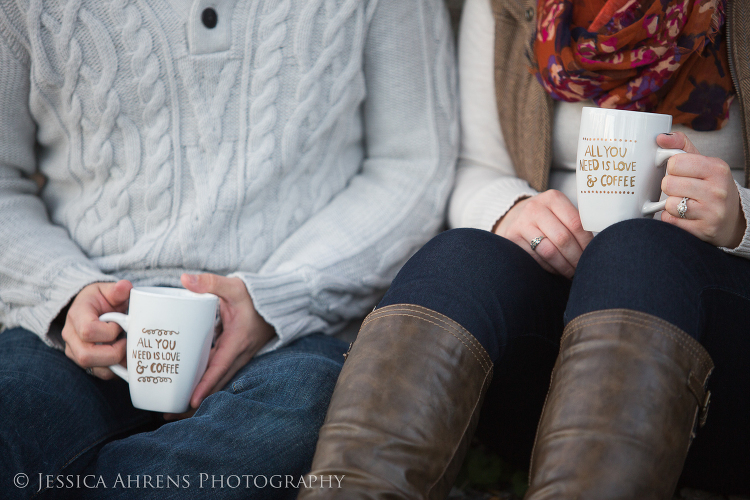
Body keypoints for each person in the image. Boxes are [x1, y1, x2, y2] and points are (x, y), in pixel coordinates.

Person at [0, 0, 458, 498]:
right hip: (79, 330)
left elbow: (414, 164)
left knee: (317, 411)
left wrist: (280, 296)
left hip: (287, 332)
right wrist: (66, 292)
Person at [300, 0, 750, 498]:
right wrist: (510, 208)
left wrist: (740, 220)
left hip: (719, 354)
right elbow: (474, 164)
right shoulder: (510, 6)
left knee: (636, 250)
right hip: (559, 369)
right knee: (459, 259)